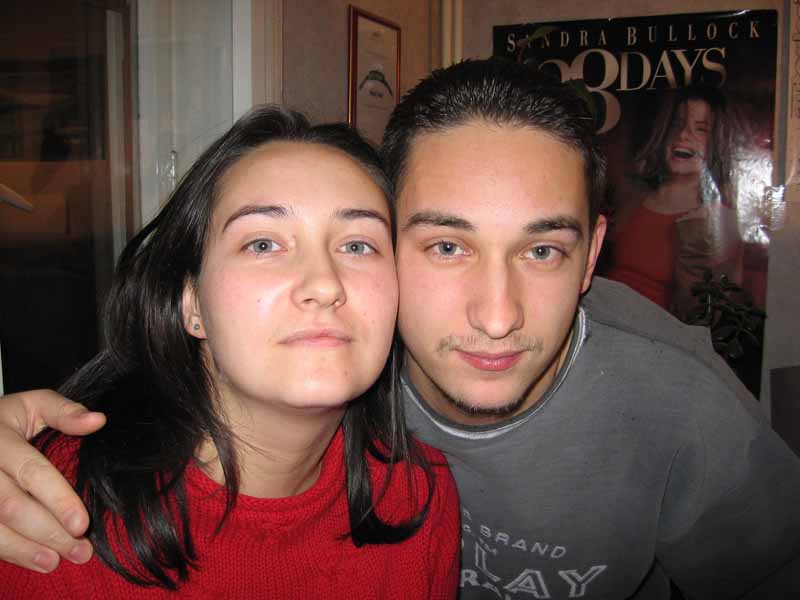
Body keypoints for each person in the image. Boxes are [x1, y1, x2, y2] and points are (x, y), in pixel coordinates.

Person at [2, 58, 800, 599]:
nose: (497, 318)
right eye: (447, 246)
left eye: (543, 250)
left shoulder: (419, 496)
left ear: (591, 256)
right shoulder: (54, 518)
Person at [0, 106, 460, 598]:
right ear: (192, 304)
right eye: (262, 244)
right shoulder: (45, 520)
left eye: (357, 246)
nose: (325, 285)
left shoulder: (418, 497)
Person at [607, 86, 742, 320]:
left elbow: (708, 313)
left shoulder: (717, 220)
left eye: (701, 129)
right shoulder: (632, 194)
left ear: (717, 143)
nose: (683, 135)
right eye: (676, 124)